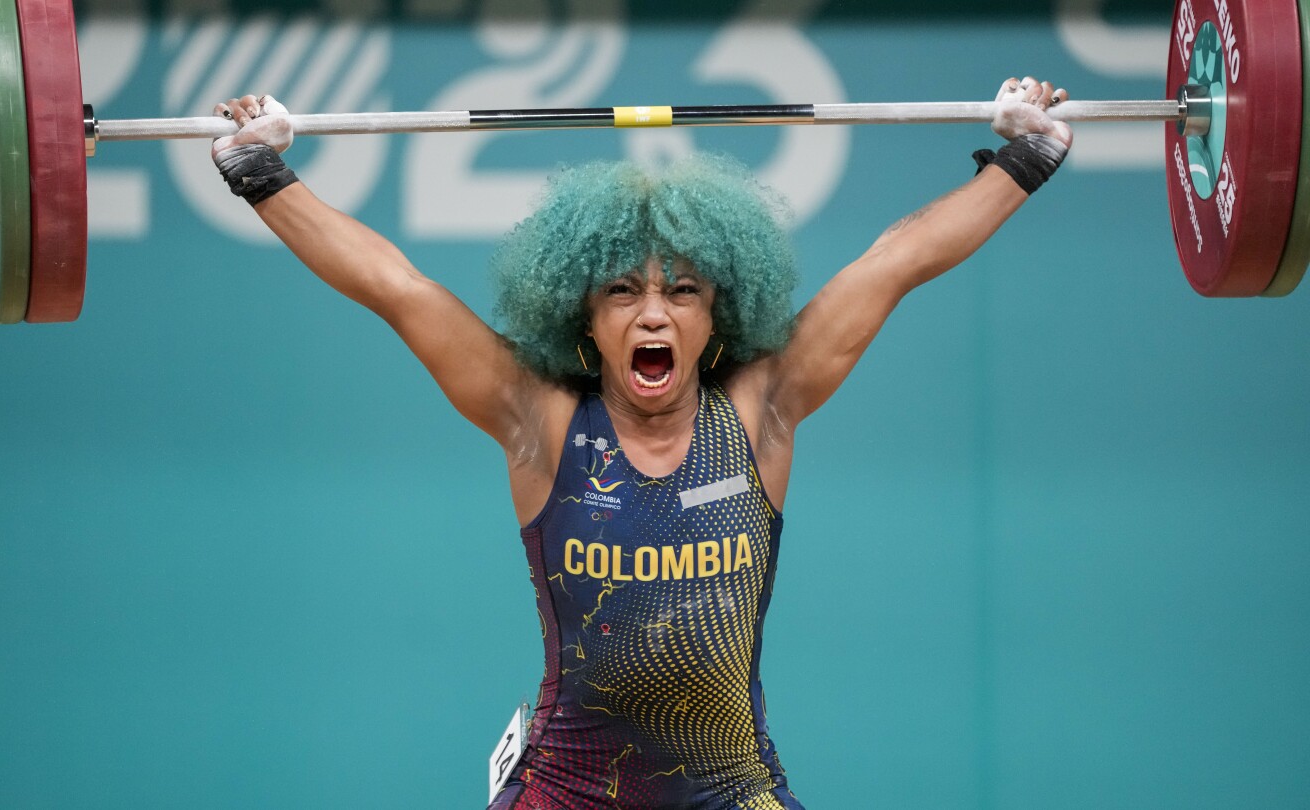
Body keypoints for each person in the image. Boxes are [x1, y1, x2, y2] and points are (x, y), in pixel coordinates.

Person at [210, 76, 1073, 810]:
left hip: (731, 785)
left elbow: (896, 261)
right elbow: (396, 288)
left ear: (716, 315)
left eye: (682, 292)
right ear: (585, 317)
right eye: (623, 291)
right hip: (567, 788)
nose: (654, 312)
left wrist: (1023, 160)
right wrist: (263, 174)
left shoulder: (763, 409)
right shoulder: (538, 420)